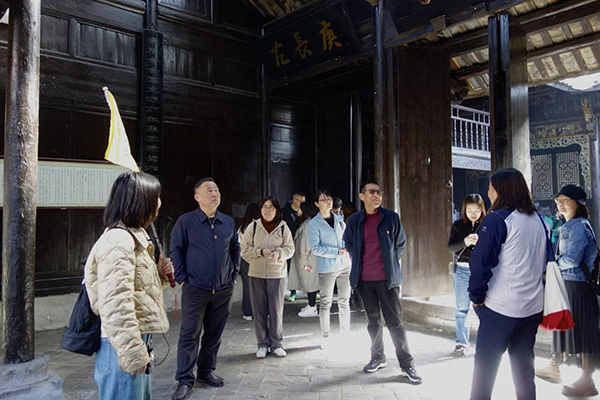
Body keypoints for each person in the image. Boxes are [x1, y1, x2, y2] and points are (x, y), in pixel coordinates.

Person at [84, 171, 172, 400]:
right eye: (155, 197)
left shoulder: (134, 236)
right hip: (122, 344)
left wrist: (159, 275)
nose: (159, 203)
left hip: (133, 339)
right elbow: (115, 303)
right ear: (140, 201)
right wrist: (132, 352)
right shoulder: (118, 240)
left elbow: (137, 291)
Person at [468, 168, 547, 400]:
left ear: (499, 189)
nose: (488, 191)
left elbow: (480, 263)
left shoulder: (498, 219)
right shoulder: (538, 219)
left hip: (501, 308)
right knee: (524, 372)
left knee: (484, 372)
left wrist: (476, 297)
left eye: (490, 187)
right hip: (532, 307)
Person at [343, 180, 422, 384]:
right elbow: (349, 242)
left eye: (379, 192)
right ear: (362, 196)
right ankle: (378, 357)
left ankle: (407, 364)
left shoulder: (391, 218)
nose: (376, 195)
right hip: (364, 280)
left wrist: (390, 262)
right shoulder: (355, 220)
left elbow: (400, 243)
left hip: (387, 280)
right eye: (371, 192)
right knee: (373, 321)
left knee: (395, 322)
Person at [170, 178, 241, 400]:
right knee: (190, 333)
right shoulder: (186, 221)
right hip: (195, 288)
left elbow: (235, 248)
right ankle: (184, 379)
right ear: (197, 197)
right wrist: (182, 279)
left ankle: (206, 371)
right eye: (209, 190)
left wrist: (234, 273)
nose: (215, 194)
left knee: (214, 332)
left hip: (223, 289)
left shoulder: (228, 222)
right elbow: (175, 250)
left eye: (217, 190)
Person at [535, 185, 600, 397]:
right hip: (569, 283)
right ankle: (555, 366)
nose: (560, 204)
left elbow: (572, 259)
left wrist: (552, 264)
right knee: (564, 326)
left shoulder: (579, 226)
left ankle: (587, 380)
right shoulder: (568, 225)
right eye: (558, 200)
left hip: (579, 286)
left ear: (578, 203)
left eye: (565, 200)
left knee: (583, 332)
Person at [241, 197, 294, 358]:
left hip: (277, 274)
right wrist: (260, 252)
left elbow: (290, 249)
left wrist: (279, 253)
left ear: (277, 210)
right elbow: (244, 249)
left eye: (271, 207)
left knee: (276, 310)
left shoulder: (283, 227)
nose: (268, 210)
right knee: (259, 310)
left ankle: (276, 344)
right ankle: (262, 344)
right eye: (265, 207)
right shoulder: (253, 226)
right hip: (256, 273)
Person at [308, 190, 351, 336]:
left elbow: (345, 237)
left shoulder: (339, 219)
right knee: (326, 302)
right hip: (327, 267)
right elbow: (315, 248)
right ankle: (326, 334)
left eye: (329, 198)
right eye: (323, 199)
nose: (328, 201)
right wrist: (336, 252)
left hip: (344, 265)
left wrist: (346, 248)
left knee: (344, 301)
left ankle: (345, 333)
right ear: (316, 204)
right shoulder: (314, 224)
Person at [447, 194, 486, 356]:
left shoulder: (487, 225)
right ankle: (461, 342)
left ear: (482, 210)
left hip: (482, 270)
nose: (473, 214)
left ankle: (486, 342)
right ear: (464, 210)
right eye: (469, 210)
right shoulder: (458, 225)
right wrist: (465, 242)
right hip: (462, 269)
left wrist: (480, 242)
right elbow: (451, 247)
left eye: (476, 210)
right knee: (462, 307)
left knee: (485, 307)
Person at [289, 202, 320, 317]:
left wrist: (302, 260)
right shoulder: (309, 223)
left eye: (299, 209)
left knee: (310, 282)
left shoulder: (307, 225)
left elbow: (305, 244)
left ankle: (312, 307)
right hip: (308, 258)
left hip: (307, 259)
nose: (298, 211)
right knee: (309, 282)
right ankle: (310, 305)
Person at [282, 191, 306, 302]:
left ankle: (311, 290)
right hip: (289, 241)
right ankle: (292, 291)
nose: (302, 204)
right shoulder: (285, 212)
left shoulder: (304, 211)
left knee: (305, 265)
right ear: (294, 200)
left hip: (302, 242)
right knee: (291, 267)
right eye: (300, 201)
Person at [238, 203, 261, 321]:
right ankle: (259, 312)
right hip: (257, 259)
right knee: (259, 288)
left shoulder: (242, 227)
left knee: (247, 287)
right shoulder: (258, 226)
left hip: (244, 260)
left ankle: (247, 312)